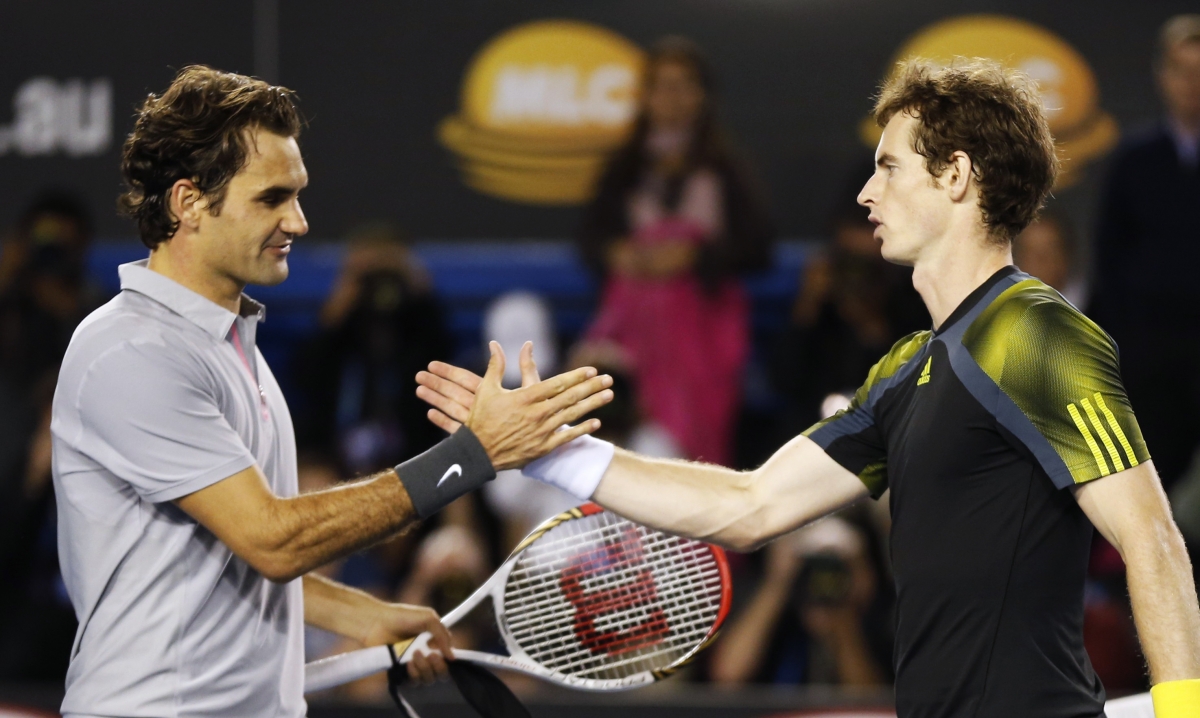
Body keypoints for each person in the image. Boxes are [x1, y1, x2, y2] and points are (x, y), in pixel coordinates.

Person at [417, 59, 1200, 718]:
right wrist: (551, 453)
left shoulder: (1034, 329)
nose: (865, 194)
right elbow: (748, 507)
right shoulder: (906, 369)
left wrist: (1181, 711)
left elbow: (1151, 537)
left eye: (889, 166)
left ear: (957, 176)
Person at [49, 66, 613, 718]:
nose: (301, 220)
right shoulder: (133, 351)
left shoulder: (228, 346)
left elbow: (220, 560)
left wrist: (361, 613)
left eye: (300, 195)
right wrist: (473, 454)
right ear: (188, 203)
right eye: (272, 198)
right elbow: (272, 539)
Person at [577, 36, 775, 466]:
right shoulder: (624, 167)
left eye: (684, 85)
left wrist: (693, 256)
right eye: (662, 86)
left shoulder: (724, 167)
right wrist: (620, 253)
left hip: (705, 333)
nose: (673, 98)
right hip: (634, 330)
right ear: (645, 96)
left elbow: (759, 248)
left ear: (703, 96)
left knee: (695, 448)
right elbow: (592, 242)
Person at [1090, 14, 1200, 488]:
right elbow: (1109, 260)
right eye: (1183, 71)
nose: (1192, 85)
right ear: (1162, 76)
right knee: (1154, 490)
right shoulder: (1134, 161)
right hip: (1152, 365)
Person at [294, 223, 453, 476]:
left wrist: (413, 282)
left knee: (445, 474)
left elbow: (441, 357)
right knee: (312, 476)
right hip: (338, 445)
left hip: (410, 448)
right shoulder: (343, 326)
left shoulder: (418, 322)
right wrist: (345, 294)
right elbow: (307, 375)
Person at [709, 517, 890, 687]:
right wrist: (778, 583)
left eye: (830, 564)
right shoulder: (758, 591)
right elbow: (727, 677)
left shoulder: (875, 611)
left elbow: (869, 701)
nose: (819, 577)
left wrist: (842, 615)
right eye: (811, 561)